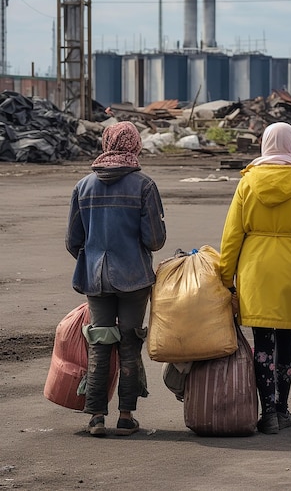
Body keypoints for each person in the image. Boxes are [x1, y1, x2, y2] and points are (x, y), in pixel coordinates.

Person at [219, 122, 291, 434]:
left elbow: (232, 236)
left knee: (263, 343)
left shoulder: (247, 182)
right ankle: (282, 410)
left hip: (256, 272)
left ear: (265, 144)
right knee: (287, 342)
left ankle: (266, 413)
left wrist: (227, 277)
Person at [66, 121, 166, 437]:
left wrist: (94, 255)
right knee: (129, 346)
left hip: (95, 279)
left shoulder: (83, 187)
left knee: (99, 345)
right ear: (134, 146)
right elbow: (154, 240)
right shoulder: (144, 185)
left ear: (106, 144)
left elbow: (73, 240)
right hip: (134, 277)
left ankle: (96, 416)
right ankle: (125, 416)